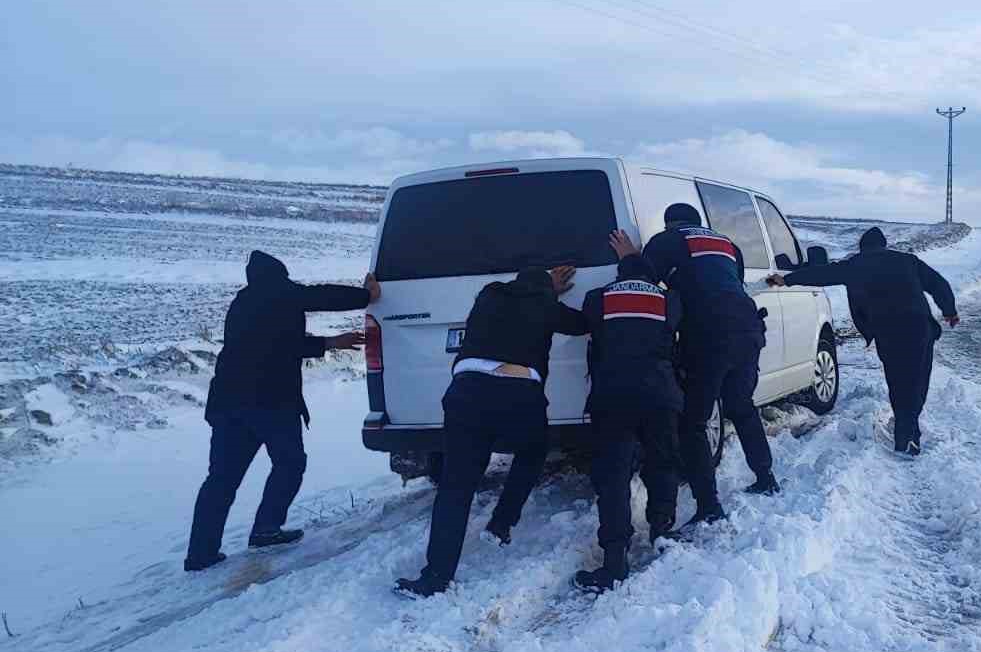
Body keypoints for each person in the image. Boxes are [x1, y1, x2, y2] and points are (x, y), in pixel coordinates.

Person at [395, 264, 582, 598]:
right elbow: (583, 325)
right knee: (533, 451)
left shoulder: (490, 294)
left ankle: (435, 577)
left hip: (467, 392)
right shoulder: (547, 306)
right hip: (519, 394)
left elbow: (523, 295)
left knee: (456, 485)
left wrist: (543, 289)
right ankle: (502, 522)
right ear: (548, 288)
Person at [185, 251, 376, 572]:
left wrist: (332, 342)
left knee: (221, 479)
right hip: (270, 403)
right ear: (278, 276)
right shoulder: (281, 293)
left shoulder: (242, 304)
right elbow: (322, 295)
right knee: (290, 463)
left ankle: (200, 554)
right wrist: (366, 294)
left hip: (229, 405)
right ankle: (266, 528)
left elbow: (281, 343)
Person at [611, 202, 778, 531]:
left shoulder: (668, 240)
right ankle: (766, 477)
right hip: (747, 328)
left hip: (708, 335)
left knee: (693, 423)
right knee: (742, 406)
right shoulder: (726, 244)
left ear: (669, 222)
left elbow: (642, 281)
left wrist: (630, 256)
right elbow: (731, 284)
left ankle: (709, 506)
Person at [769, 227, 957, 456]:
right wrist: (949, 310)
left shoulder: (856, 265)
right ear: (883, 244)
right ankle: (909, 430)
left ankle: (905, 434)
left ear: (863, 247)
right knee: (918, 380)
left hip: (889, 332)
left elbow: (821, 274)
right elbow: (938, 284)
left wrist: (785, 279)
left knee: (898, 382)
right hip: (920, 329)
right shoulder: (908, 261)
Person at [572, 254, 684, 592]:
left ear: (619, 274)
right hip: (660, 394)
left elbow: (585, 326)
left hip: (613, 397)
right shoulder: (669, 300)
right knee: (662, 461)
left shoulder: (598, 299)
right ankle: (662, 530)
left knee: (614, 475)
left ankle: (615, 560)